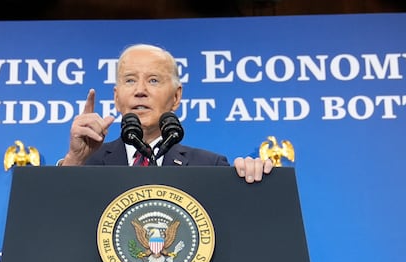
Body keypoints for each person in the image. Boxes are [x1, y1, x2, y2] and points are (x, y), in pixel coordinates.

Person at [58, 43, 273, 183]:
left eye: (153, 80)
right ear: (116, 97)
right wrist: (74, 160)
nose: (140, 90)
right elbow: (50, 221)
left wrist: (253, 182)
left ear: (176, 97)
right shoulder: (86, 165)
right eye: (130, 80)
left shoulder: (209, 168)